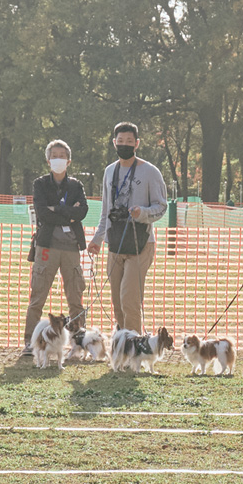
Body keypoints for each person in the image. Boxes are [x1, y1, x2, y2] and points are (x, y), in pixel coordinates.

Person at [86, 122, 168, 332]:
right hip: (115, 243)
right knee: (117, 300)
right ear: (114, 143)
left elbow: (161, 207)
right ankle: (123, 343)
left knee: (129, 299)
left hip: (140, 243)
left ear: (137, 144)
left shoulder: (150, 172)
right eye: (120, 141)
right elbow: (106, 212)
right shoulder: (109, 172)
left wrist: (143, 213)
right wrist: (97, 239)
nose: (124, 145)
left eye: (129, 142)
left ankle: (135, 346)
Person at [22, 139, 89, 354]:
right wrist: (68, 212)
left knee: (75, 297)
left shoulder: (76, 185)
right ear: (48, 160)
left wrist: (58, 210)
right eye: (54, 155)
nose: (58, 159)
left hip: (71, 248)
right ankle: (30, 343)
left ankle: (79, 343)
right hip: (46, 246)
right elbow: (42, 212)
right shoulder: (40, 184)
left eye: (62, 155)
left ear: (68, 161)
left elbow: (82, 212)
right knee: (37, 297)